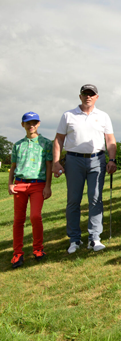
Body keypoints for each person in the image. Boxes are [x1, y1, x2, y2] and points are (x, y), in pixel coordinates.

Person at [53, 84, 117, 254]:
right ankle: (74, 240)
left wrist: (112, 159)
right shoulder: (68, 115)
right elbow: (58, 140)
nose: (88, 96)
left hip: (98, 160)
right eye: (85, 94)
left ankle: (94, 238)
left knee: (95, 198)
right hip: (74, 160)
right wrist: (56, 161)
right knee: (73, 200)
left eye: (91, 94)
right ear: (80, 96)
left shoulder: (103, 116)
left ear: (96, 97)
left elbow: (110, 140)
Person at [8, 112, 53, 268]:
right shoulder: (18, 145)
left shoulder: (46, 143)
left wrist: (48, 186)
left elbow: (49, 165)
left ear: (38, 124)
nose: (31, 125)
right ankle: (18, 253)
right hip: (19, 184)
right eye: (28, 123)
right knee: (18, 220)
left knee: (35, 216)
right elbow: (13, 167)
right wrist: (10, 183)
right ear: (23, 125)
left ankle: (38, 249)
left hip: (38, 184)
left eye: (34, 122)